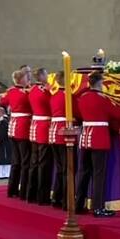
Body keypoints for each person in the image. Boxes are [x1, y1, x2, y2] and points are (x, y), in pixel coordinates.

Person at [75, 71, 120, 218]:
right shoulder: (103, 99)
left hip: (85, 137)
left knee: (83, 172)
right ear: (99, 83)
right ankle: (98, 207)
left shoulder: (82, 98)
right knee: (99, 174)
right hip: (99, 138)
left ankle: (79, 204)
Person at [0, 70, 32, 199]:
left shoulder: (11, 91)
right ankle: (23, 190)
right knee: (25, 161)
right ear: (21, 79)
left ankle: (12, 189)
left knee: (16, 161)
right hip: (23, 127)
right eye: (26, 77)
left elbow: (2, 101)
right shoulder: (24, 93)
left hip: (13, 127)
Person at [27, 68, 53, 204]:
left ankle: (30, 193)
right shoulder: (45, 91)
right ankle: (42, 197)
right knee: (43, 163)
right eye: (47, 74)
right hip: (44, 127)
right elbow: (52, 104)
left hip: (35, 126)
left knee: (34, 162)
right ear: (42, 76)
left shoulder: (31, 90)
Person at [48, 71, 68, 208]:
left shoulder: (54, 96)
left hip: (53, 132)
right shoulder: (67, 96)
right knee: (67, 169)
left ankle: (56, 197)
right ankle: (66, 199)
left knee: (60, 168)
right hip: (63, 133)